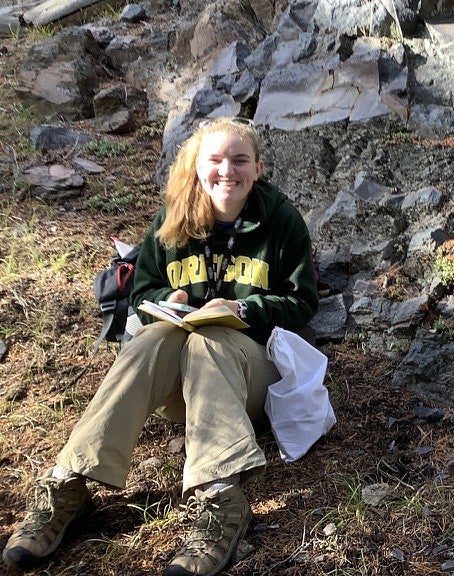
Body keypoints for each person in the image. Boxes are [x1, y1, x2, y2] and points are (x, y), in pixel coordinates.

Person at [3, 117, 319, 576]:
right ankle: (67, 485)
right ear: (197, 166)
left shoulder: (281, 220)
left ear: (258, 168)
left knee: (209, 342)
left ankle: (220, 502)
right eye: (214, 160)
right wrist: (162, 301)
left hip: (249, 380)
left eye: (239, 160)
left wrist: (248, 309)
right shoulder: (173, 220)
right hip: (179, 391)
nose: (226, 170)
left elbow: (302, 301)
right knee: (155, 336)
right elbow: (143, 290)